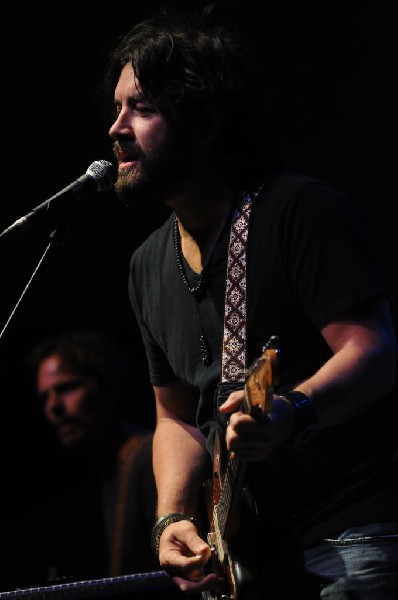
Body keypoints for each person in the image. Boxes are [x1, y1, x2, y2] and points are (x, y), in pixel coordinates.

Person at [102, 2, 398, 598]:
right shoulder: (146, 265)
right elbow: (176, 417)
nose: (117, 128)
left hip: (349, 534)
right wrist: (173, 518)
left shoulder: (299, 211)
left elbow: (374, 351)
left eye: (143, 108)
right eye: (117, 108)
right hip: (248, 558)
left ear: (207, 121)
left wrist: (293, 410)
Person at [23, 330, 185, 599]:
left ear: (106, 386)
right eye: (45, 397)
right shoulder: (112, 469)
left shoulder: (150, 460)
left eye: (66, 388)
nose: (54, 407)